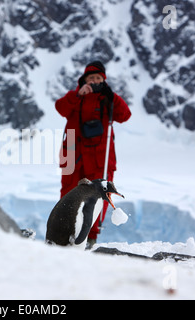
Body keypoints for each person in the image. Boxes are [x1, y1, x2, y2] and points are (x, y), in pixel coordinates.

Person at [55, 61, 131, 247]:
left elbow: (124, 115)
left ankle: (90, 236)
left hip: (100, 156)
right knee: (68, 193)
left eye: (99, 78)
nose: (95, 81)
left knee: (99, 194)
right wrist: (77, 95)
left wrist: (112, 97)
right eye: (92, 78)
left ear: (104, 81)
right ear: (84, 80)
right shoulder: (75, 97)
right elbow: (61, 108)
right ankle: (64, 233)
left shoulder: (108, 99)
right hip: (74, 152)